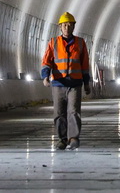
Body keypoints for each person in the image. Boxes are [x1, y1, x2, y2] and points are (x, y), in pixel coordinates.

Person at [41, 11, 91, 150]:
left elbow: (85, 64)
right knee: (59, 112)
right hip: (58, 83)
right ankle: (62, 139)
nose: (67, 28)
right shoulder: (53, 43)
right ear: (60, 27)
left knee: (73, 111)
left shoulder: (80, 43)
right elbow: (46, 61)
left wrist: (86, 83)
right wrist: (45, 76)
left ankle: (73, 138)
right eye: (64, 25)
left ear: (74, 27)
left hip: (75, 83)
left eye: (69, 25)